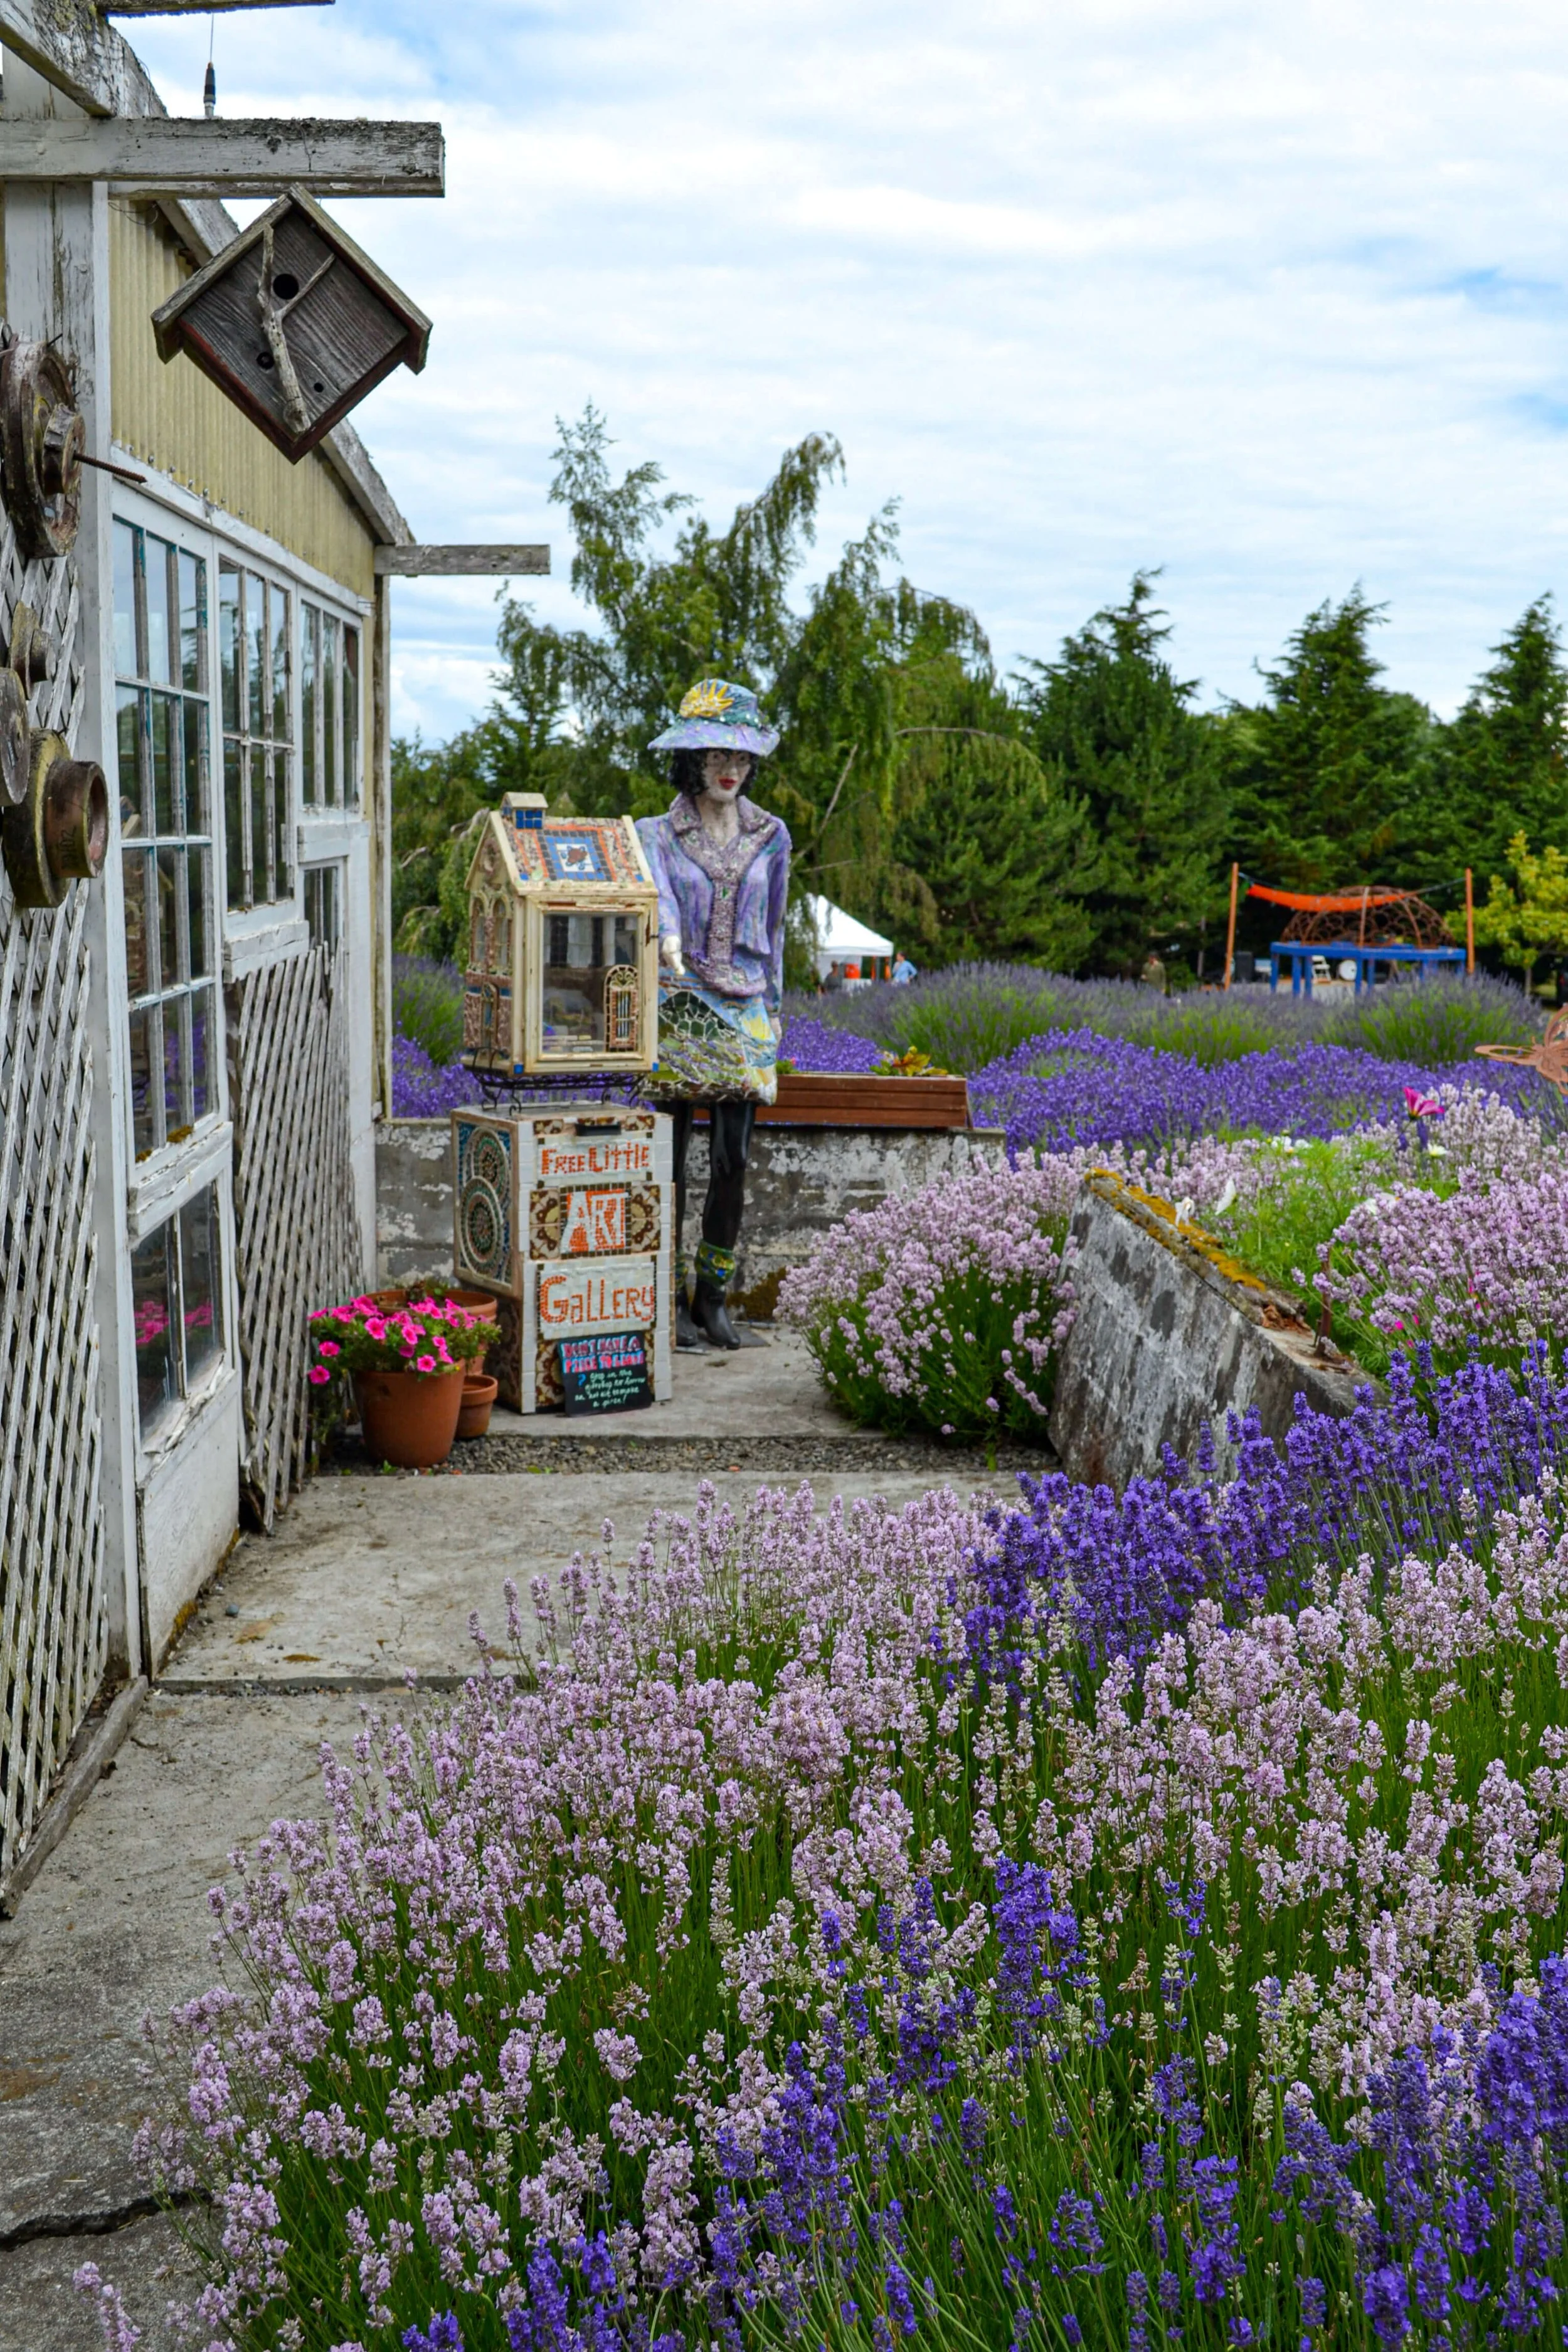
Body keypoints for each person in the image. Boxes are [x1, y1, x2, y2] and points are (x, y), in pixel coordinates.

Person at [637, 679, 790, 1352]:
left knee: (732, 1157)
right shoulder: (656, 833)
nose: (729, 769)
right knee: (666, 1156)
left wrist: (777, 1007)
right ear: (691, 760)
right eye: (714, 756)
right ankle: (664, 1298)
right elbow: (659, 899)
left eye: (741, 758)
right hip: (677, 1003)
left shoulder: (771, 834)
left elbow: (778, 925)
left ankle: (714, 1298)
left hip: (747, 1002)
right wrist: (669, 937)